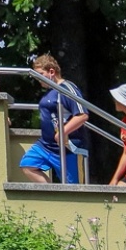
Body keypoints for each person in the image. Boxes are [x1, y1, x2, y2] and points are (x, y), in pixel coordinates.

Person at [18, 55, 87, 184]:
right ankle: (52, 192)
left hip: (68, 149)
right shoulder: (50, 91)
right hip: (45, 146)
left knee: (73, 190)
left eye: (40, 74)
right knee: (27, 164)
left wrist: (63, 131)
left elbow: (82, 115)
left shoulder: (67, 88)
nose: (38, 79)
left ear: (51, 72)